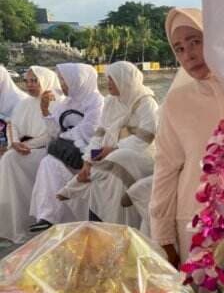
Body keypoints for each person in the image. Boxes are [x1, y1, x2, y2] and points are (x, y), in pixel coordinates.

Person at [150, 8, 224, 267]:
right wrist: (164, 237)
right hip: (197, 219)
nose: (188, 55)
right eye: (178, 48)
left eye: (195, 41)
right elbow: (166, 168)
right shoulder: (176, 102)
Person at [57, 61, 158, 227]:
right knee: (102, 162)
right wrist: (88, 159)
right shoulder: (110, 101)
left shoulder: (146, 102)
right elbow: (100, 133)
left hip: (140, 154)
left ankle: (74, 186)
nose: (108, 83)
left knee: (118, 156)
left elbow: (146, 137)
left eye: (112, 79)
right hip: (109, 151)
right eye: (108, 79)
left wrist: (115, 148)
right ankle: (100, 218)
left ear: (125, 79)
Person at [29, 63, 103, 232]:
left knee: (51, 158)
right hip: (69, 153)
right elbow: (55, 131)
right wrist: (45, 111)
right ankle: (47, 217)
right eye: (61, 79)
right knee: (48, 162)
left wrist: (63, 137)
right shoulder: (67, 103)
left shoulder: (97, 102)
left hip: (91, 153)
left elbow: (89, 131)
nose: (62, 84)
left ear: (79, 80)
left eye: (65, 79)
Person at [0, 66, 63, 243]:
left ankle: (37, 217)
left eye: (34, 81)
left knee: (12, 159)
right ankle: (13, 223)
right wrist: (15, 143)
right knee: (9, 159)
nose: (30, 85)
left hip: (44, 150)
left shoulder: (57, 103)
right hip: (23, 149)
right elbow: (13, 126)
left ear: (46, 81)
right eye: (27, 81)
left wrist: (27, 145)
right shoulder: (24, 103)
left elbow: (51, 134)